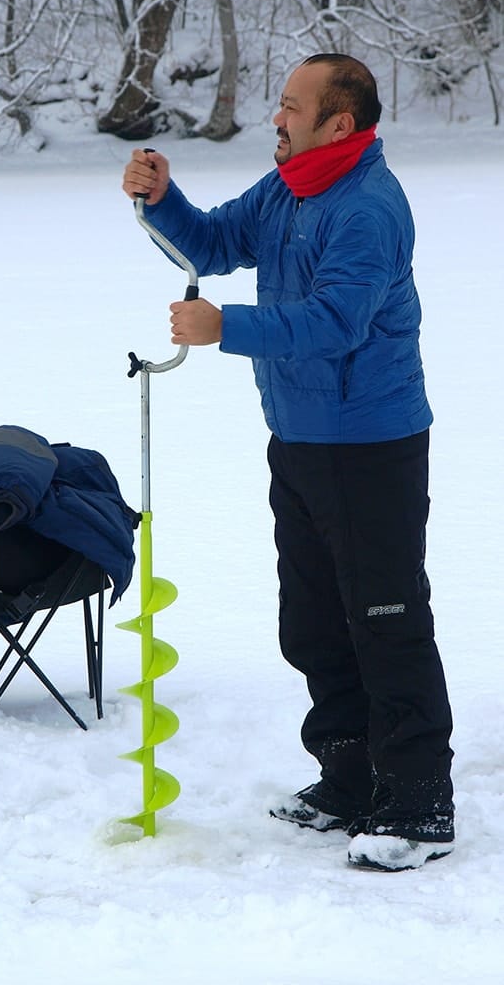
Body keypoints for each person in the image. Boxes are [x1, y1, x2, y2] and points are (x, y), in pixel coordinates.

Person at [121, 53, 454, 873]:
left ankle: (417, 804)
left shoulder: (367, 208)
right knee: (312, 622)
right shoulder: (288, 188)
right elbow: (214, 241)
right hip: (298, 437)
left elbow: (337, 321)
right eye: (279, 102)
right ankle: (348, 778)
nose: (277, 117)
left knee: (384, 621)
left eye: (292, 107)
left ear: (338, 124)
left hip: (371, 446)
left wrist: (224, 327)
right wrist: (162, 200)